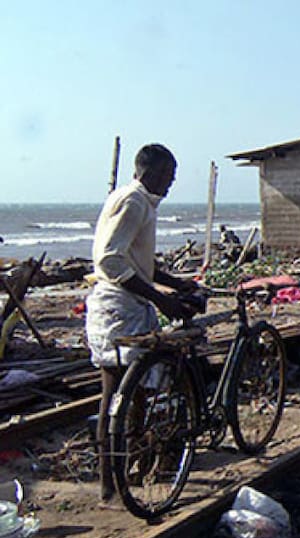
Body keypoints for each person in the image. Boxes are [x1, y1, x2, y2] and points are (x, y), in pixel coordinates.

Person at [86, 143, 198, 502]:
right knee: (114, 395)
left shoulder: (137, 201)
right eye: (168, 176)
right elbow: (110, 261)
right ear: (150, 172)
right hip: (118, 308)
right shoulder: (133, 202)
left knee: (135, 397)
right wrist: (161, 298)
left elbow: (136, 261)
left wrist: (175, 283)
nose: (171, 183)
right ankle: (109, 486)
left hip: (132, 304)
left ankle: (129, 472)